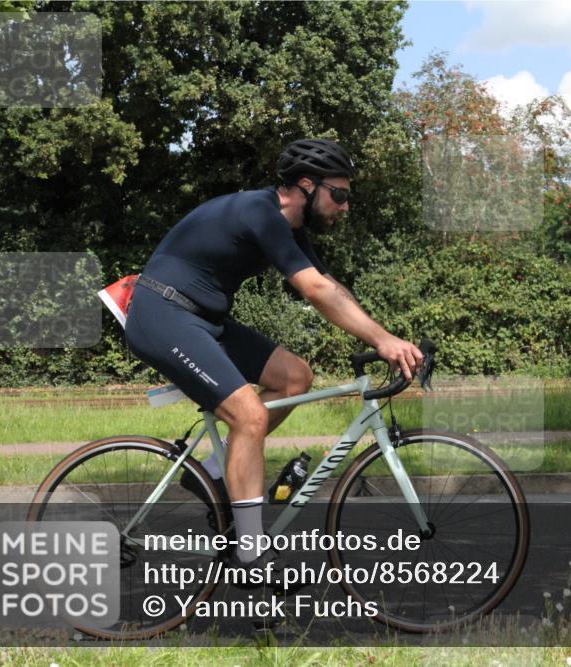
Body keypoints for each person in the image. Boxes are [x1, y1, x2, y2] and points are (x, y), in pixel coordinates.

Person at [124, 138, 423, 581]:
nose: (344, 207)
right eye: (338, 195)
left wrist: (388, 336)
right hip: (162, 314)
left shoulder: (289, 226)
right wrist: (383, 341)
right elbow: (315, 292)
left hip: (204, 319)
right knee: (249, 416)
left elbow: (329, 284)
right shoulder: (259, 211)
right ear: (306, 185)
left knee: (295, 377)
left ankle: (212, 473)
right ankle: (250, 555)